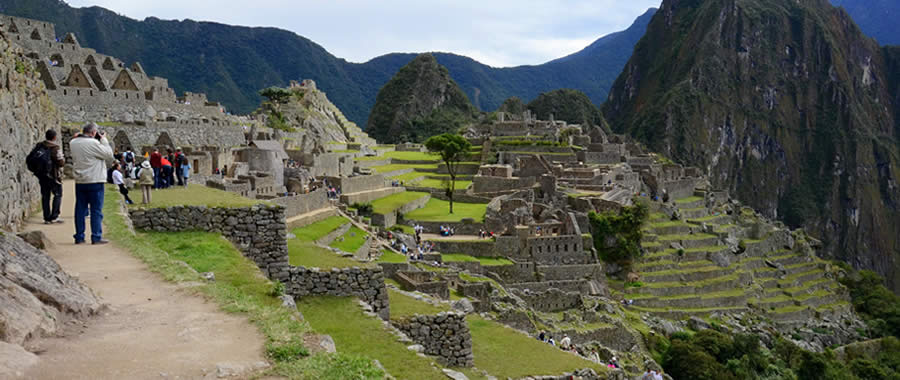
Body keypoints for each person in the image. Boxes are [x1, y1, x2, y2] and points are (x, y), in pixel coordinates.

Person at [70, 123, 113, 244]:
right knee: (96, 210)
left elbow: (76, 139)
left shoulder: (73, 143)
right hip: (94, 179)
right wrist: (104, 139)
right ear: (94, 133)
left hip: (80, 180)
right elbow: (109, 154)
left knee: (80, 209)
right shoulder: (94, 143)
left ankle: (79, 236)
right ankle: (96, 236)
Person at [27, 129, 66, 224]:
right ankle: (54, 216)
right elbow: (61, 163)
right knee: (58, 194)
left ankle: (46, 217)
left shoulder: (39, 146)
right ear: (54, 137)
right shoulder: (55, 148)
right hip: (53, 175)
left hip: (42, 175)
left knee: (45, 196)